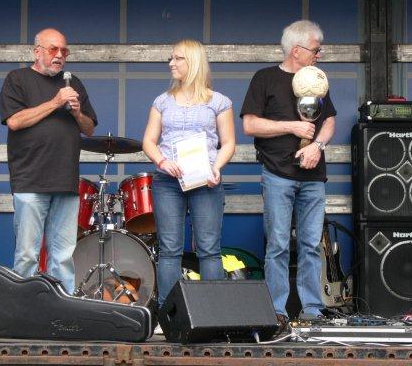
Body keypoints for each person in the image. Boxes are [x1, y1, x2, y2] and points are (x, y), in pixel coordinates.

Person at [240, 20, 336, 327]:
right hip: (277, 174)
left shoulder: (317, 80)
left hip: (313, 176)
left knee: (311, 245)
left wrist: (317, 146)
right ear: (296, 50)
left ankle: (312, 310)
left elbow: (329, 121)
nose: (319, 55)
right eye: (315, 49)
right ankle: (276, 312)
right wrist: (291, 126)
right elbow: (250, 125)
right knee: (278, 245)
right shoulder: (265, 78)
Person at [0, 28, 97, 295]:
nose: (59, 55)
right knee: (27, 255)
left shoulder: (73, 83)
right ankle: (23, 310)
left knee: (63, 256)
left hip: (65, 181)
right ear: (37, 51)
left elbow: (89, 129)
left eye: (64, 51)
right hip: (30, 180)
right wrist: (55, 102)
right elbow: (15, 121)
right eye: (53, 49)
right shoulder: (17, 79)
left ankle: (61, 312)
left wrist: (77, 114)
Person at [142, 39, 236, 307]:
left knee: (209, 249)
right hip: (167, 182)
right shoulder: (162, 101)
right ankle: (168, 314)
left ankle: (212, 313)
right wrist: (162, 161)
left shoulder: (219, 101)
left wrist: (216, 168)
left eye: (177, 58)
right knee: (169, 249)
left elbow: (228, 143)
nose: (171, 63)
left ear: (193, 62)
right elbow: (149, 141)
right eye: (170, 58)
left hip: (205, 181)